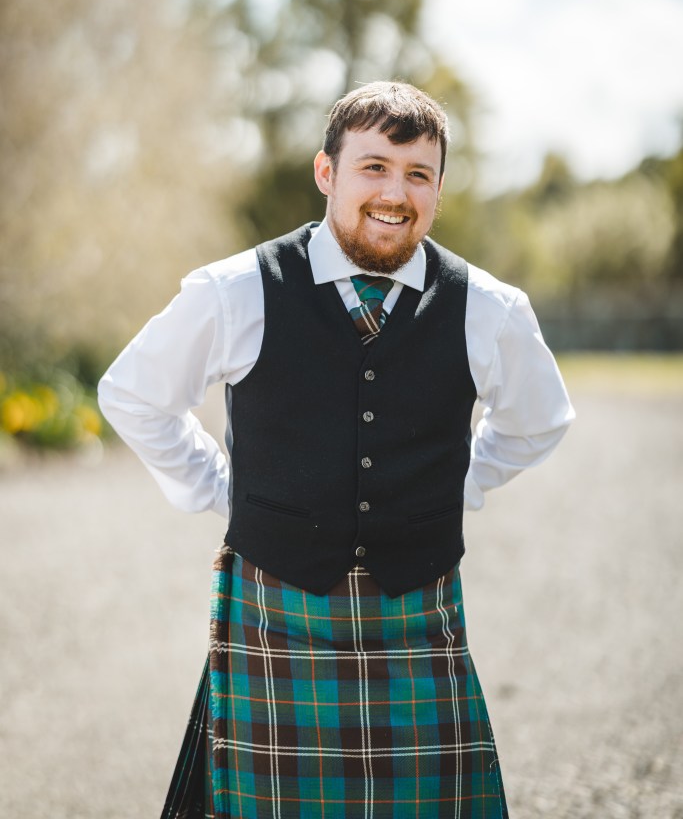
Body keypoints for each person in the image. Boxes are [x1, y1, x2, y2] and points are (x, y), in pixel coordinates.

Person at [98, 81, 574, 819]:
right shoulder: (236, 289)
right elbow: (133, 395)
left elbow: (538, 420)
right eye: (374, 167)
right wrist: (220, 488)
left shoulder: (489, 307)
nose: (395, 192)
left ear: (438, 190)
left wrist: (460, 484)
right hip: (274, 611)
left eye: (418, 174)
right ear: (327, 172)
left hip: (416, 615)